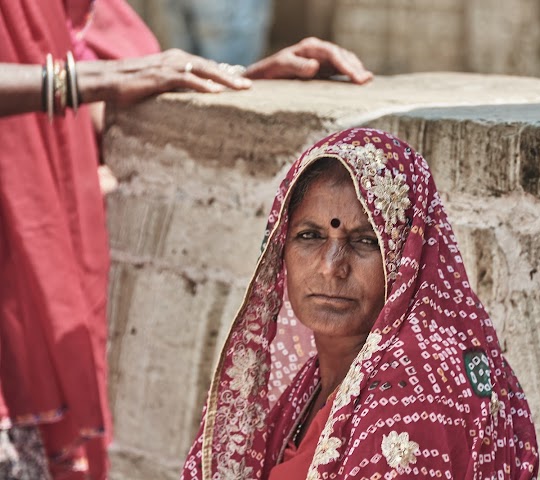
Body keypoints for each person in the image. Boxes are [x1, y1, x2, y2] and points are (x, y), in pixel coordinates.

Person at [0, 1, 371, 478]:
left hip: (38, 254)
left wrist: (231, 79)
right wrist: (90, 80)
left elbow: (102, 80)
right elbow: (93, 77)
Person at [182, 128, 539, 479]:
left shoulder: (412, 398)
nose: (331, 266)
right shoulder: (316, 382)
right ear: (280, 251)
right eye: (310, 236)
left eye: (365, 241)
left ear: (405, 260)